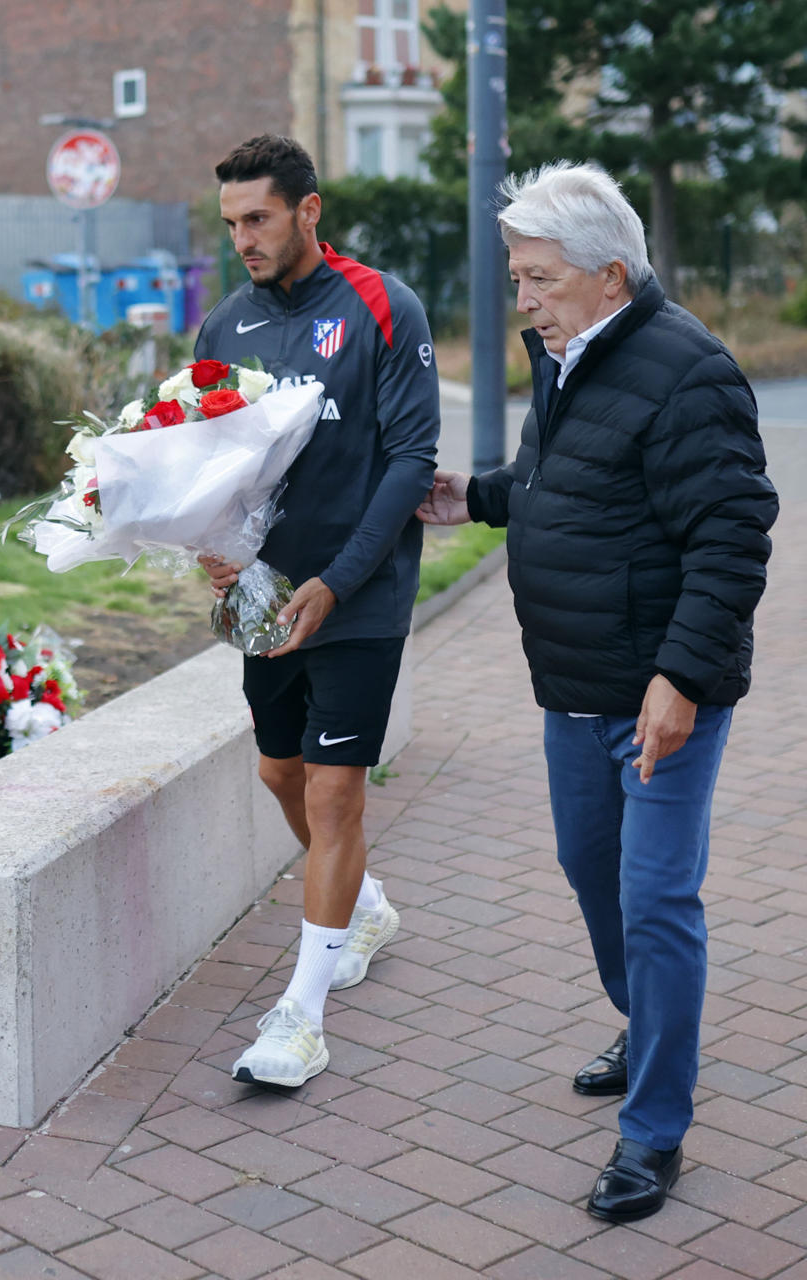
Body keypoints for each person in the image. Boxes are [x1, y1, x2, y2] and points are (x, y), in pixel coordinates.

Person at [417, 161, 775, 1222]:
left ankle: (655, 1128)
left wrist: (681, 679)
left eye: (535, 278)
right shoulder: (570, 356)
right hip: (573, 685)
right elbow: (560, 483)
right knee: (591, 869)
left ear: (609, 275)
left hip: (662, 691)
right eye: (518, 277)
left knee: (657, 899)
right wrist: (472, 496)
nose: (521, 298)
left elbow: (731, 534)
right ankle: (645, 1019)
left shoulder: (686, 370)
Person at [194, 136, 441, 1088]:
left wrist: (336, 579)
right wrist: (212, 547)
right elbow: (211, 465)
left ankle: (302, 1014)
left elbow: (411, 460)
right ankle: (365, 906)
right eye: (231, 224)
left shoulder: (384, 305)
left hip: (360, 593)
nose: (243, 239)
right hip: (265, 600)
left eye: (257, 218)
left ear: (309, 211)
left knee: (338, 793)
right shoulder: (224, 326)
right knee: (278, 772)